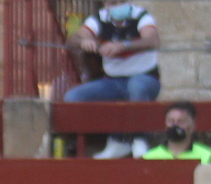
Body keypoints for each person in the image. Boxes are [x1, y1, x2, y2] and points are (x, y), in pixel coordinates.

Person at [64, 1, 160, 159]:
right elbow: (72, 39)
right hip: (113, 81)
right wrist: (84, 41)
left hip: (145, 77)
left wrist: (124, 46)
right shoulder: (99, 19)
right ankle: (115, 139)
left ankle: (139, 139)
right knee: (74, 97)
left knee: (137, 87)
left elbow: (153, 40)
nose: (117, 5)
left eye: (120, 1)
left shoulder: (141, 16)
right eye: (112, 2)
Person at [141, 101, 211, 161]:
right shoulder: (150, 157)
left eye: (181, 121)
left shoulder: (206, 155)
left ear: (192, 126)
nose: (175, 125)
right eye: (171, 121)